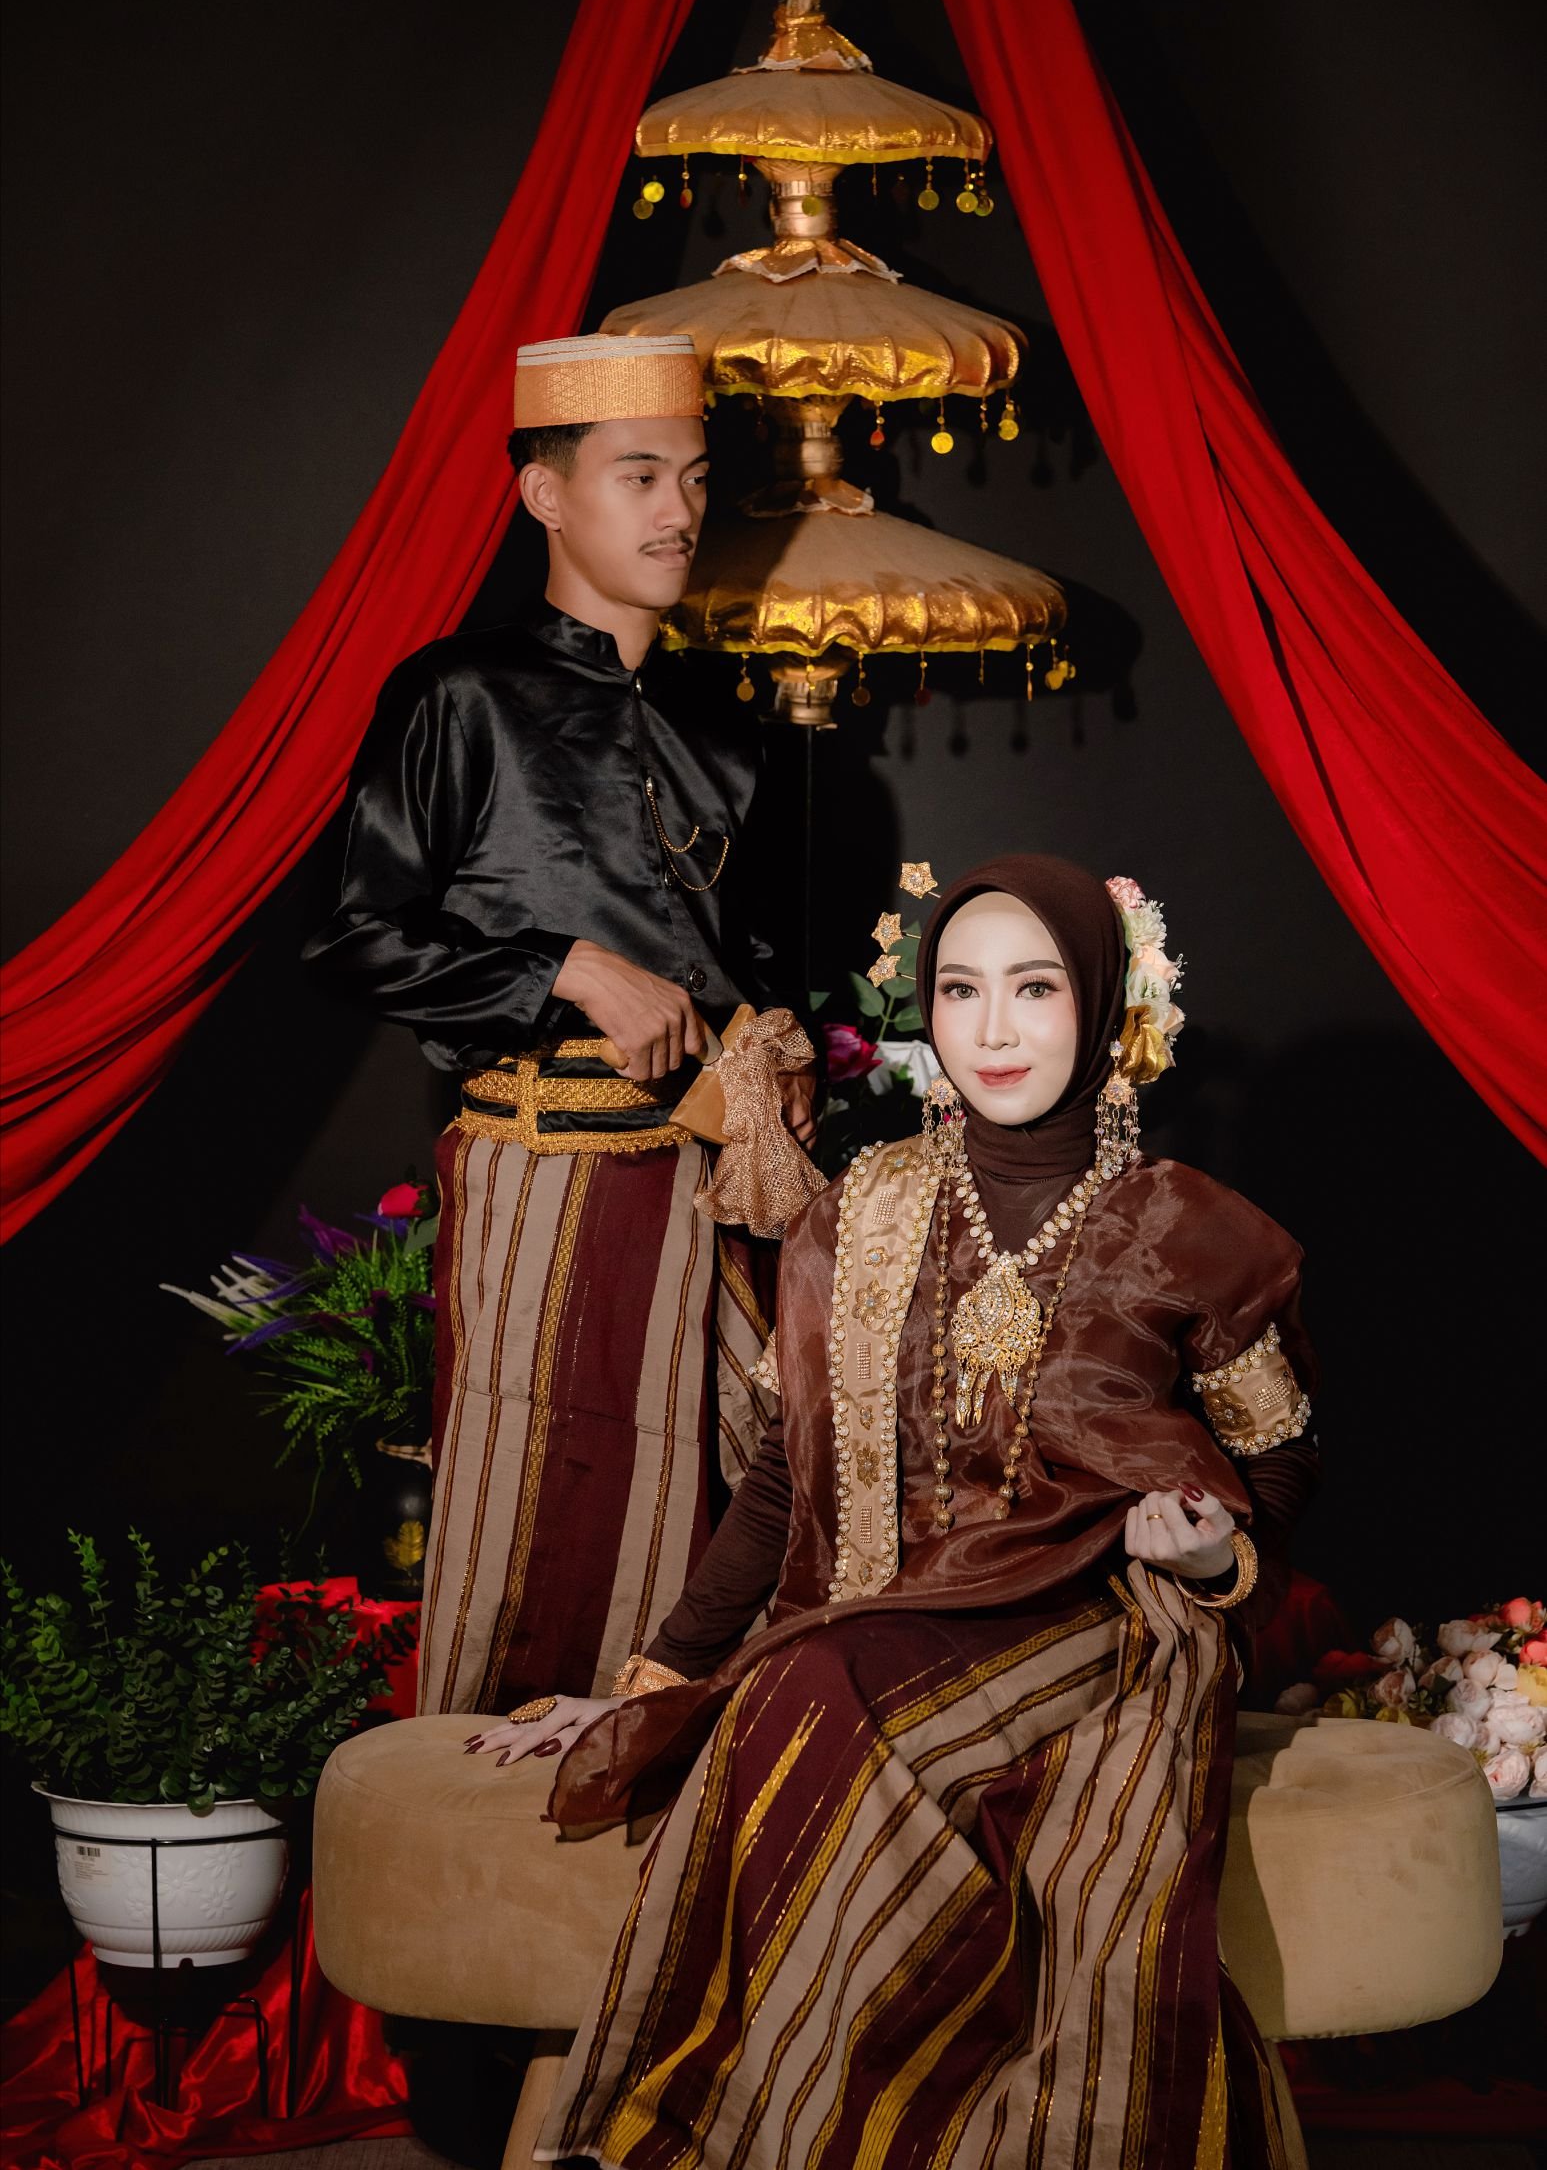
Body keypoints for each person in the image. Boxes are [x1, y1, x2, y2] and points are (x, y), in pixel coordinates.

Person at [471, 854, 1318, 2168]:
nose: (993, 1028)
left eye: (1034, 987)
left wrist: (1215, 1561)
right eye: (961, 990)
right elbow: (777, 1483)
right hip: (877, 1623)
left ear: (1102, 1002)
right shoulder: (855, 1214)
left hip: (1102, 1619)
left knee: (815, 1685)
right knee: (798, 1686)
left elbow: (1281, 1465)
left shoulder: (1191, 1227)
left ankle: (700, 2137)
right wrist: (657, 1679)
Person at [304, 332, 815, 1718]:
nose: (679, 511)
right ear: (544, 494)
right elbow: (355, 933)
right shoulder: (457, 694)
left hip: (717, 1185)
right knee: (543, 1532)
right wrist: (569, 969)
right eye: (639, 475)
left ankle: (691, 1813)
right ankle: (485, 1832)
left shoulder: (730, 724)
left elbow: (756, 957)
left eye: (694, 477)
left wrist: (777, 1045)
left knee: (743, 1519)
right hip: (544, 1183)